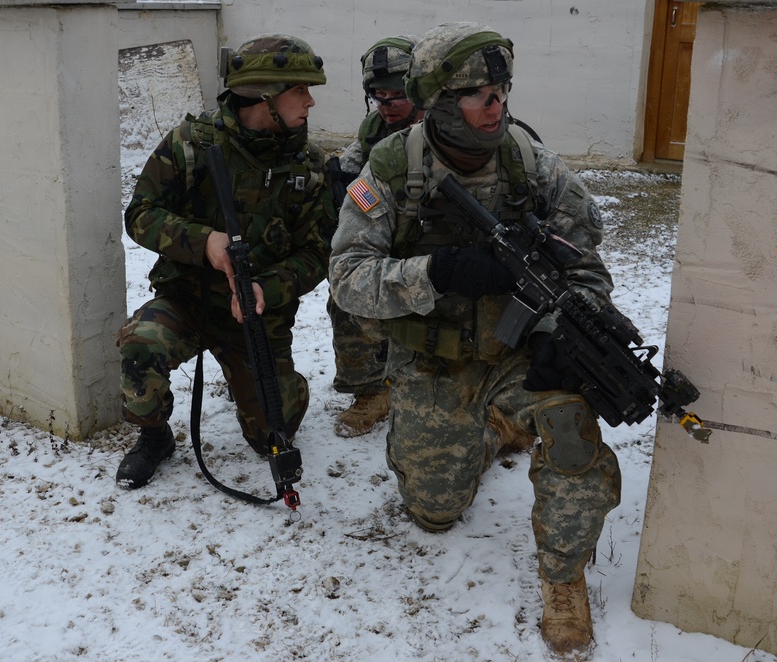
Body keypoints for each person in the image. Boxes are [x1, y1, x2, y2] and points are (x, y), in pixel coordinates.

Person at [328, 22, 621, 660]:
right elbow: (347, 281)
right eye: (477, 94)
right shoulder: (389, 167)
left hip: (520, 356)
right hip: (433, 361)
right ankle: (488, 434)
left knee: (571, 423)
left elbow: (587, 266)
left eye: (502, 88)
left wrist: (564, 335)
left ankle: (563, 575)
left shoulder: (531, 162)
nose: (497, 104)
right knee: (433, 512)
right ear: (435, 101)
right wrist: (436, 272)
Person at [116, 34, 335, 491]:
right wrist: (204, 242)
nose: (311, 102)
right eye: (301, 90)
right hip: (187, 301)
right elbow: (140, 215)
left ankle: (286, 386)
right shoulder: (190, 146)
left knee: (272, 432)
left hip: (254, 313)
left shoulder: (308, 167)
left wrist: (265, 289)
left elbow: (318, 253)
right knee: (141, 346)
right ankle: (154, 438)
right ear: (265, 96)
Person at [325, 36, 424, 438]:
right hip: (389, 243)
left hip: (445, 250)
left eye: (397, 94)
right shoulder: (374, 133)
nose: (388, 105)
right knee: (346, 295)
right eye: (378, 97)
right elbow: (352, 174)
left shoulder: (451, 131)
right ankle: (369, 389)